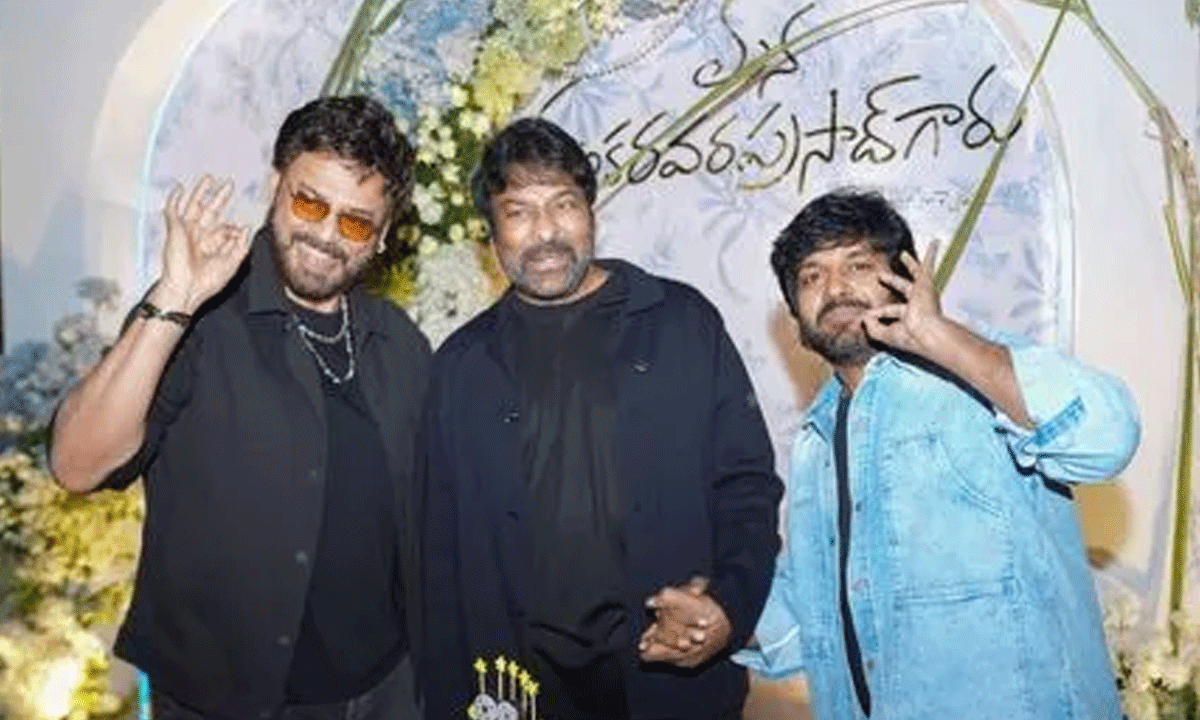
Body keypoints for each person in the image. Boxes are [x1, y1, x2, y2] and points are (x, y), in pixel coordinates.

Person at [49, 95, 430, 720]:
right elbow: (76, 464)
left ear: (383, 236)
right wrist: (175, 298)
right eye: (311, 203)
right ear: (276, 187)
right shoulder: (198, 316)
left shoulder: (400, 342)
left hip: (384, 690)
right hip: (224, 698)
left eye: (357, 223)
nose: (326, 234)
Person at [417, 116, 783, 720]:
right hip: (519, 690)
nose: (545, 232)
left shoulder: (682, 323)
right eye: (518, 212)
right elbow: (440, 556)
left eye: (563, 204)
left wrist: (729, 606)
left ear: (591, 211)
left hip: (670, 682)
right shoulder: (459, 367)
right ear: (490, 236)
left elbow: (746, 488)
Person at [732, 189, 1140, 719]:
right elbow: (818, 608)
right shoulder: (815, 441)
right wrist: (717, 615)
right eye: (811, 277)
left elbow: (1108, 437)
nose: (834, 288)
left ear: (904, 278)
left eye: (857, 265)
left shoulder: (978, 376)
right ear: (797, 320)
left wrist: (941, 337)